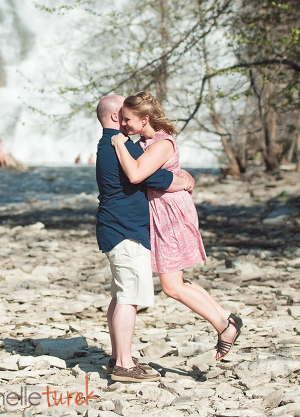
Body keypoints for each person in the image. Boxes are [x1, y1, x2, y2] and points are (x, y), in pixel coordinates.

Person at [111, 91, 242, 360]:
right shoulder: (146, 141)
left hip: (171, 214)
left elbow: (136, 174)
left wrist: (118, 143)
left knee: (171, 286)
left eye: (127, 120)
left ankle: (224, 327)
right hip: (162, 212)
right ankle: (228, 317)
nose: (123, 124)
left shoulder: (161, 144)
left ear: (144, 119)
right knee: (177, 281)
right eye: (121, 120)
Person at [96, 94, 194, 382]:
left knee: (120, 295)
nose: (129, 120)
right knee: (129, 297)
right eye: (125, 114)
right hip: (126, 230)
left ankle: (117, 356)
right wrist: (183, 181)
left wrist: (179, 173)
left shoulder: (108, 144)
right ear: (116, 117)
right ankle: (124, 365)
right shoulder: (121, 146)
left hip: (115, 227)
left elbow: (151, 170)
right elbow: (152, 177)